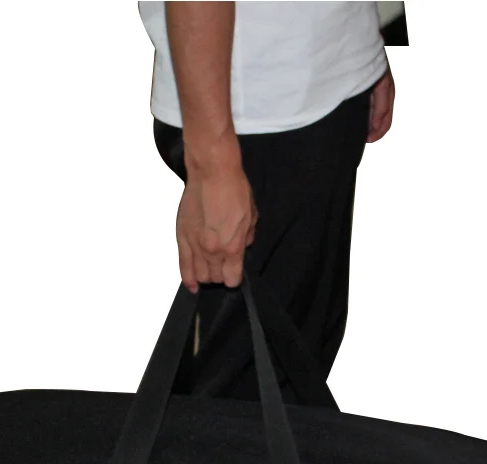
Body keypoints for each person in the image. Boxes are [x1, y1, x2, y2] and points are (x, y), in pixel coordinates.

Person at [139, 1, 395, 402]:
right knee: (249, 390)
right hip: (261, 114)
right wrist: (213, 166)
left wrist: (366, 44)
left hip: (317, 85)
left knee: (293, 358)